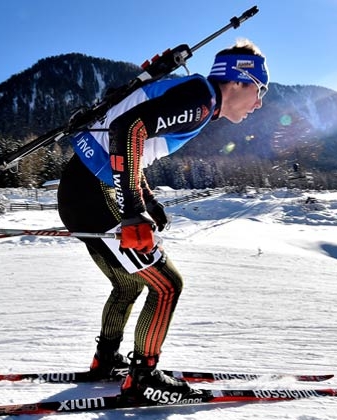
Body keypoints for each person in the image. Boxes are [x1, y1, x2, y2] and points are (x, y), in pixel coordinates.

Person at [56, 39, 268, 403]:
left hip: (79, 190)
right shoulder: (200, 100)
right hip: (96, 196)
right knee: (167, 285)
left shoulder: (189, 93)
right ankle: (144, 376)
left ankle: (106, 361)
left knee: (129, 285)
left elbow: (129, 145)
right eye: (259, 90)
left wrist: (148, 199)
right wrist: (133, 211)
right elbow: (128, 131)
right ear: (237, 81)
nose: (259, 103)